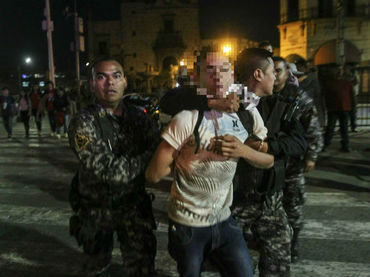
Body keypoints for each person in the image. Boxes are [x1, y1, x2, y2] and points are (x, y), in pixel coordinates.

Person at [159, 48, 308, 277]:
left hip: (268, 196)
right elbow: (172, 99)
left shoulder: (284, 103)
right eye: (273, 72)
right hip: (232, 199)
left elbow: (299, 142)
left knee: (276, 264)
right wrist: (212, 102)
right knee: (211, 262)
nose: (277, 77)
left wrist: (262, 146)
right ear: (259, 74)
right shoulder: (234, 96)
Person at [68, 57, 158, 277]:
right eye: (102, 77)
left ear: (125, 82)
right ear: (92, 84)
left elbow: (160, 150)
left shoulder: (139, 117)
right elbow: (105, 169)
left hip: (134, 206)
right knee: (97, 266)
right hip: (97, 208)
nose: (110, 83)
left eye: (116, 76)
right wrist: (148, 160)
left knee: (142, 268)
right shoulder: (83, 121)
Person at [273, 56, 323, 263]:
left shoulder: (298, 97)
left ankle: (292, 244)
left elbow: (313, 128)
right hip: (267, 160)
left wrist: (311, 155)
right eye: (271, 70)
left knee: (292, 203)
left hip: (291, 162)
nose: (275, 75)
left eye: (279, 71)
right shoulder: (257, 96)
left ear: (287, 74)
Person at [323, 66, 354, 152]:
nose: (339, 72)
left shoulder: (347, 82)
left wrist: (352, 107)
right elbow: (326, 96)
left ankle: (345, 145)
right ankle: (326, 144)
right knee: (330, 128)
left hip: (344, 109)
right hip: (333, 109)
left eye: (341, 70)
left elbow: (352, 95)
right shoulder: (329, 83)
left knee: (344, 128)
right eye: (337, 70)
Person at [296, 58, 326, 128]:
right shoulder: (309, 74)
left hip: (312, 98)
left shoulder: (311, 75)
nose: (298, 69)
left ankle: (319, 125)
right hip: (311, 98)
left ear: (303, 66)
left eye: (299, 67)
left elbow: (304, 84)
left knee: (313, 115)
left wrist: (298, 81)